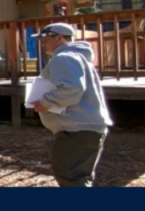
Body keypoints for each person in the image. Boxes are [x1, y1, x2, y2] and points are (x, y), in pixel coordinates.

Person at [31, 23, 113, 187]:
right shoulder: (77, 57)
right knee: (78, 178)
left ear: (59, 38)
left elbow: (72, 88)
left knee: (70, 177)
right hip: (84, 127)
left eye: (46, 39)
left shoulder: (64, 57)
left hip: (77, 129)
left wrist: (45, 102)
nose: (43, 44)